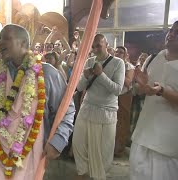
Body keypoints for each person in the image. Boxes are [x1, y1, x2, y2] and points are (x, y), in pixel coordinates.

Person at [0, 24, 75, 180]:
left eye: (6, 38)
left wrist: (59, 140)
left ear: (24, 43)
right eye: (0, 38)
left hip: (30, 152)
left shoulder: (47, 72)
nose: (0, 43)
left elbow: (67, 108)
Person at [72, 34, 125, 180]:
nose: (95, 49)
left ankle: (98, 176)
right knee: (79, 144)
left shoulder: (118, 63)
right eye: (93, 46)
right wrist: (85, 76)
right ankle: (82, 173)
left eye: (98, 45)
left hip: (106, 111)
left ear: (106, 44)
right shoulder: (89, 61)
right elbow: (80, 87)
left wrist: (101, 75)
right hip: (87, 108)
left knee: (103, 151)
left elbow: (117, 90)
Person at [130, 21, 178, 180]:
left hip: (168, 143)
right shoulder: (153, 58)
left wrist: (162, 91)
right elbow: (141, 90)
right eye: (171, 30)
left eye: (177, 33)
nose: (171, 35)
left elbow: (159, 91)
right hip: (143, 134)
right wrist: (140, 86)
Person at [114, 46, 134, 157]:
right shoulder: (111, 63)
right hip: (112, 96)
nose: (118, 54)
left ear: (126, 55)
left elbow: (128, 82)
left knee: (122, 123)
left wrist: (119, 69)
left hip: (124, 96)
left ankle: (119, 149)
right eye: (116, 52)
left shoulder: (129, 66)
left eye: (121, 52)